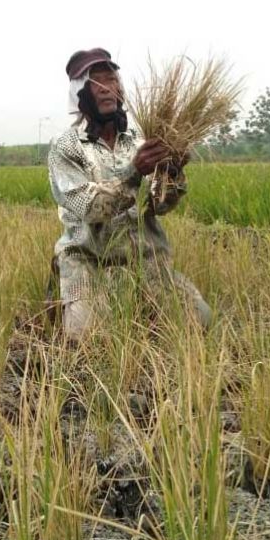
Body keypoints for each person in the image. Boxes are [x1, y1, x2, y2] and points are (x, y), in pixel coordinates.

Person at [48, 47, 211, 341]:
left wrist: (171, 172)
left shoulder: (139, 141)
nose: (106, 89)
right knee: (88, 338)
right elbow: (89, 209)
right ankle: (65, 298)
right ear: (80, 95)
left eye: (111, 81)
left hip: (144, 262)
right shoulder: (67, 148)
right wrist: (134, 172)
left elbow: (160, 207)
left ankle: (140, 305)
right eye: (95, 83)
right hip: (91, 262)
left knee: (199, 319)